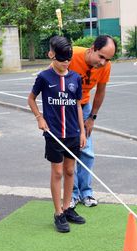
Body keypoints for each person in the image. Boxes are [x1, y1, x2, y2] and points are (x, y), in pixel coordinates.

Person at [28, 36, 87, 233]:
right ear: (51, 55)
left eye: (68, 61)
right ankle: (58, 213)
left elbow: (78, 105)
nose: (65, 64)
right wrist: (39, 118)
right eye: (62, 60)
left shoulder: (75, 78)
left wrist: (82, 132)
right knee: (58, 172)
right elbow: (31, 99)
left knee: (70, 171)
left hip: (72, 133)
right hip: (53, 133)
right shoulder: (44, 77)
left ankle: (68, 207)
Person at [69, 35, 117, 208]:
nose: (103, 62)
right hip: (65, 108)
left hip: (84, 107)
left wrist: (92, 118)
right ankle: (71, 194)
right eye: (101, 57)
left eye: (108, 59)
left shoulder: (106, 67)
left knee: (87, 151)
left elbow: (100, 91)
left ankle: (86, 192)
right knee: (69, 152)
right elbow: (51, 77)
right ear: (92, 48)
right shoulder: (71, 55)